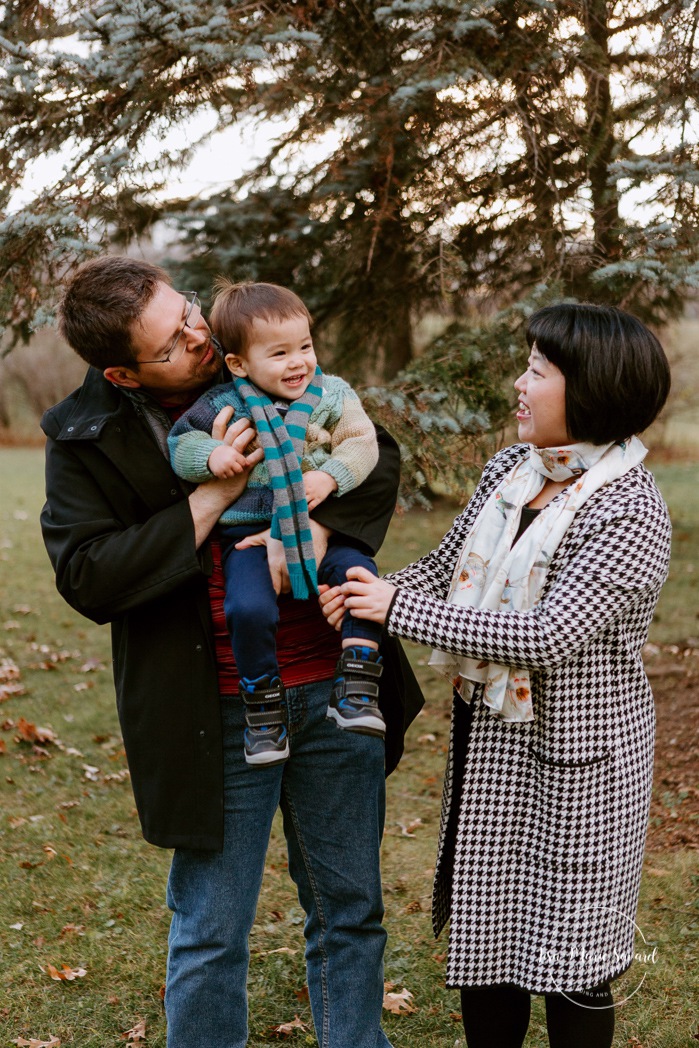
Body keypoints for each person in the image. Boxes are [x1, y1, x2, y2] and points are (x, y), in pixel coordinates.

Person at [40, 255, 423, 1048]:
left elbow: (372, 455)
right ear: (125, 372)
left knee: (349, 910)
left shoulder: (271, 361)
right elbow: (89, 577)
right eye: (172, 340)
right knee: (211, 929)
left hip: (331, 688)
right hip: (213, 709)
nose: (196, 334)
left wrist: (314, 525)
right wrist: (212, 496)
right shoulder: (88, 438)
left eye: (186, 311)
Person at [320, 303, 672, 1048]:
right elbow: (444, 572)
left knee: (571, 962)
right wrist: (364, 595)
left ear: (592, 388)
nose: (519, 384)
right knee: (488, 949)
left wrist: (392, 611)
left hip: (581, 766)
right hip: (491, 747)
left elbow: (546, 637)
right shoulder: (510, 472)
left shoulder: (629, 508)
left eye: (537, 372)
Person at [168, 279, 386, 768]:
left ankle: (358, 682)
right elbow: (180, 446)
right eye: (280, 353)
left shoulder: (332, 394)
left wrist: (329, 480)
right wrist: (214, 456)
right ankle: (263, 709)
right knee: (245, 609)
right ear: (239, 364)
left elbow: (361, 442)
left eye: (305, 346)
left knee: (361, 582)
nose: (299, 362)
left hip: (319, 524)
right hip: (247, 536)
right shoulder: (223, 404)